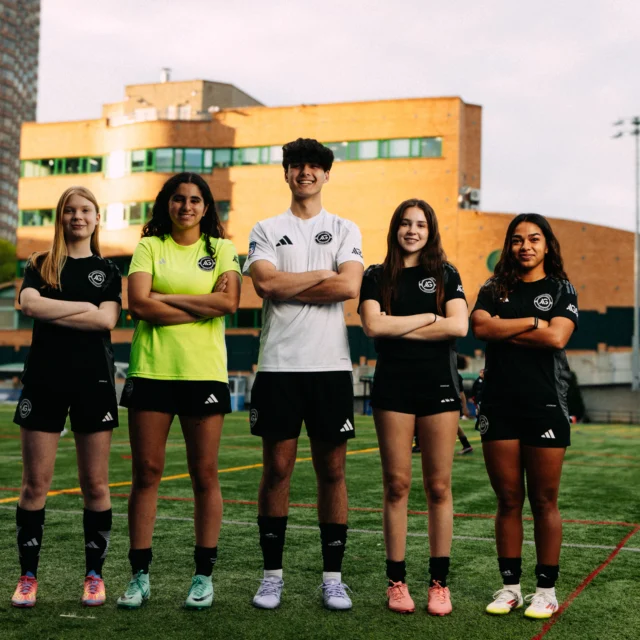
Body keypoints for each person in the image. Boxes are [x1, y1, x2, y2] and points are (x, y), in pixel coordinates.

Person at [244, 138, 364, 611]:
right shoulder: (266, 227)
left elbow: (350, 285)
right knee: (276, 470)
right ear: (287, 173)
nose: (305, 173)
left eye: (314, 167)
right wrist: (321, 274)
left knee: (332, 472)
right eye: (297, 166)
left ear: (326, 175)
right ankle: (272, 576)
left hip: (330, 367)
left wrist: (291, 284)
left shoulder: (344, 227)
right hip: (278, 367)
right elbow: (265, 283)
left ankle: (332, 578)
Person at [117, 173, 241, 610]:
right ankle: (139, 575)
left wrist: (163, 302)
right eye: (178, 199)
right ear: (166, 204)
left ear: (206, 207)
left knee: (203, 474)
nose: (186, 206)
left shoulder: (222, 249)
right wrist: (199, 305)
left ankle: (203, 576)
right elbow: (137, 305)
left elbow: (228, 305)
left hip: (203, 374)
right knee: (147, 473)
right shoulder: (149, 246)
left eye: (194, 200)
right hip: (151, 371)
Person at [12, 186, 122, 608]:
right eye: (70, 211)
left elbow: (107, 319)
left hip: (93, 382)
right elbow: (28, 305)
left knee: (95, 484)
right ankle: (27, 577)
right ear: (61, 217)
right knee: (34, 485)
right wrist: (83, 310)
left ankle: (94, 576)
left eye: (86, 210)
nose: (78, 217)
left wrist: (52, 306)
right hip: (43, 381)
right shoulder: (40, 264)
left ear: (96, 219)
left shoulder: (108, 270)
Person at [358, 198, 468, 615]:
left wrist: (400, 324)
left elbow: (458, 325)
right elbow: (373, 325)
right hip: (393, 390)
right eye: (405, 223)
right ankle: (396, 582)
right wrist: (427, 319)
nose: (412, 230)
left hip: (438, 387)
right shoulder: (376, 275)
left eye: (420, 224)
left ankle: (439, 584)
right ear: (395, 228)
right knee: (397, 486)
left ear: (430, 230)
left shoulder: (445, 273)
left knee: (438, 487)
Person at [471, 213, 578, 620]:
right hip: (498, 403)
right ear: (509, 246)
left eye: (534, 239)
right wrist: (534, 320)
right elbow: (479, 327)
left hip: (545, 403)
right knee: (508, 499)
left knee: (544, 500)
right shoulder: (493, 287)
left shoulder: (561, 287)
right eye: (517, 240)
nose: (525, 246)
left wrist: (507, 326)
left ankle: (545, 591)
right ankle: (511, 587)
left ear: (547, 245)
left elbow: (557, 336)